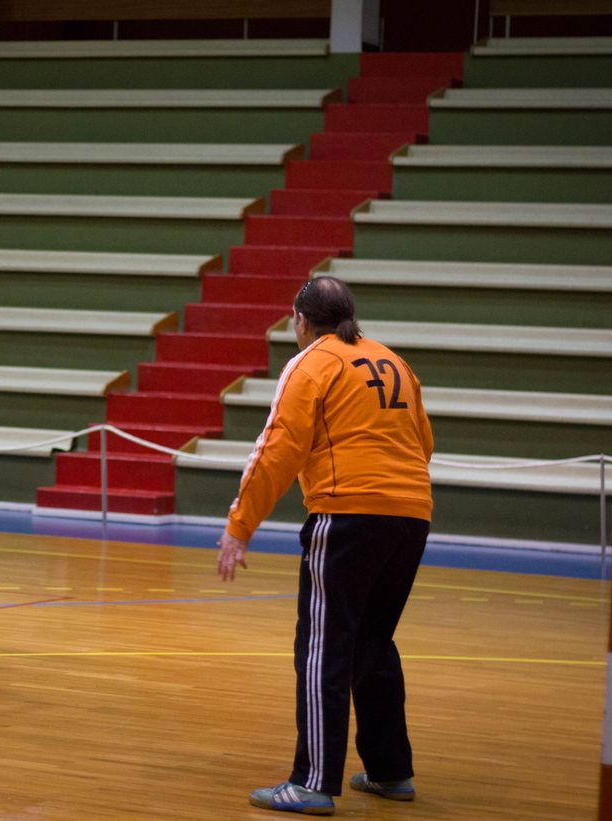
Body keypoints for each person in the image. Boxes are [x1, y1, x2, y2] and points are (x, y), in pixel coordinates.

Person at [216, 276, 434, 816]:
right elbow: (424, 442)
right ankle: (390, 771)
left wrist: (239, 526)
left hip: (347, 516)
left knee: (322, 648)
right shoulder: (395, 361)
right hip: (412, 515)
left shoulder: (310, 363)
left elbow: (277, 450)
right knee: (373, 643)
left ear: (300, 319)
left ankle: (312, 781)